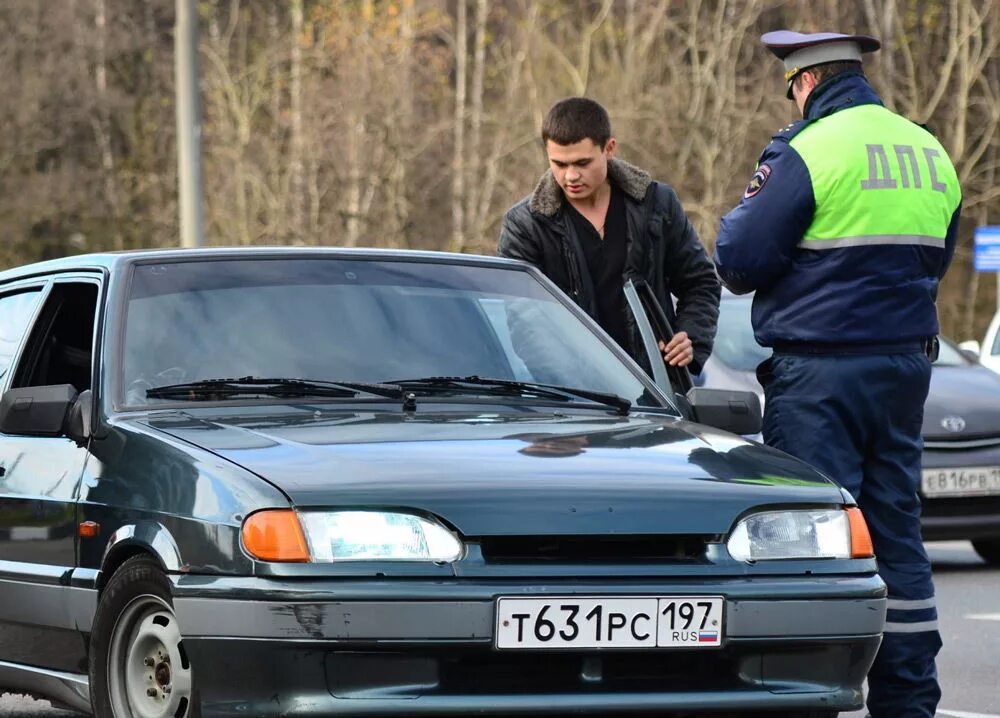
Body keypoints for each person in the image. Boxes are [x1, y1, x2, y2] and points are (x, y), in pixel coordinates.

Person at [713, 31, 961, 718]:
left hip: (820, 374)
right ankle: (908, 701)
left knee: (809, 538)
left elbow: (738, 258)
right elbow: (935, 259)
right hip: (904, 367)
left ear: (806, 82)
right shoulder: (926, 147)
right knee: (896, 536)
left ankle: (802, 697)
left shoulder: (808, 148)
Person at [498, 97, 720, 375]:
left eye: (582, 163)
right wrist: (576, 388)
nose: (570, 176)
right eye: (559, 164)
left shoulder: (657, 204)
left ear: (609, 149)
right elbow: (525, 323)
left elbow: (700, 281)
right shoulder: (525, 225)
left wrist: (690, 337)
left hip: (659, 390)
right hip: (578, 400)